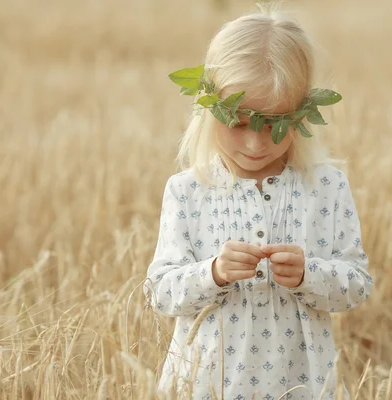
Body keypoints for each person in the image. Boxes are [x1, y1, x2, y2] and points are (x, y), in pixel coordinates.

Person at [143, 4, 373, 399]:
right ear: (208, 109)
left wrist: (309, 274)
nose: (255, 143)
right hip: (206, 385)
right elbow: (160, 292)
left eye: (274, 125)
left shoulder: (326, 187)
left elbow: (358, 285)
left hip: (300, 385)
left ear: (301, 117)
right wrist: (213, 271)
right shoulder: (187, 190)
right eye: (239, 123)